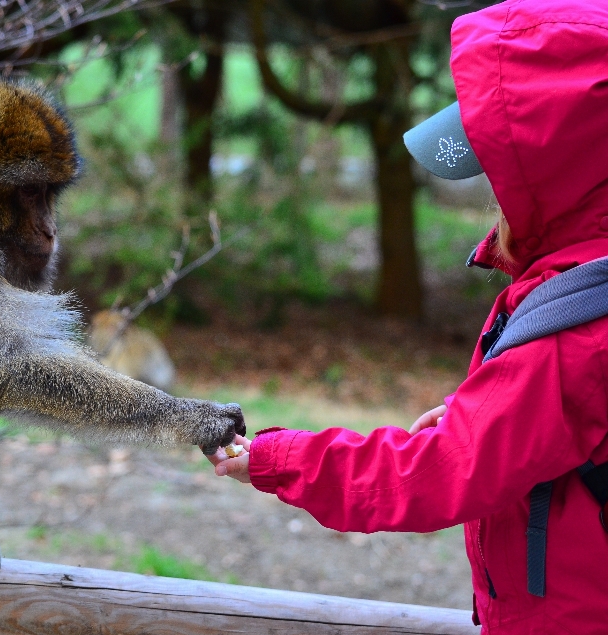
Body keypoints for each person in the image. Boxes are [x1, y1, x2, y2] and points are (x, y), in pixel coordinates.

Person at [207, 1, 608, 632]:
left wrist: (281, 459)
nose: (492, 197)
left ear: (556, 175)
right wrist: (494, 414)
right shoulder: (587, 287)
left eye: (499, 172)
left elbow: (442, 473)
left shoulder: (578, 327)